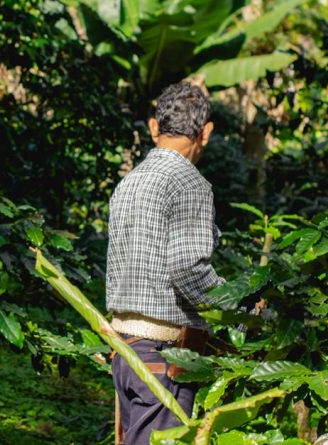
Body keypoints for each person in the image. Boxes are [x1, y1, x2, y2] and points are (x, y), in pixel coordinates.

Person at [106, 82, 224, 445]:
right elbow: (189, 270)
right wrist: (238, 304)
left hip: (125, 351)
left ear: (154, 128)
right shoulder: (190, 183)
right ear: (205, 132)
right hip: (161, 356)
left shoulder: (128, 182)